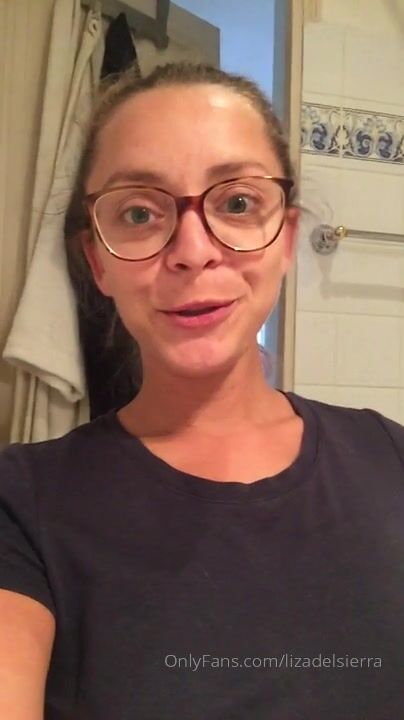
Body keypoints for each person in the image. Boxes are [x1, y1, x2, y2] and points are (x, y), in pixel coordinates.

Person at [0, 62, 403, 720]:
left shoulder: (391, 459)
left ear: (286, 239)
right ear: (98, 261)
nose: (193, 250)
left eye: (237, 203)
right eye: (139, 212)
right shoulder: (20, 503)